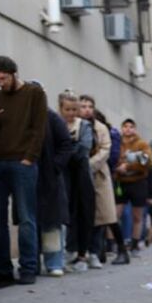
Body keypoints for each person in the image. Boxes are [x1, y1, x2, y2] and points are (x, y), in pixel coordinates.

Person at [0, 56, 47, 286]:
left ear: (13, 73)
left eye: (3, 78)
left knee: (26, 217)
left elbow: (39, 128)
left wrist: (30, 158)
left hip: (23, 163)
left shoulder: (34, 93)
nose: (0, 83)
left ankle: (28, 267)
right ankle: (3, 269)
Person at [58, 91, 97, 271]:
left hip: (81, 176)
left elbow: (84, 148)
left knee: (84, 213)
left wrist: (65, 151)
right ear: (61, 109)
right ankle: (67, 252)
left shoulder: (85, 126)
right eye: (68, 109)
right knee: (66, 213)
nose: (72, 113)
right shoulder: (57, 124)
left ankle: (83, 253)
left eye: (75, 109)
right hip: (63, 175)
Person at [79, 95, 121, 260]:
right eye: (83, 106)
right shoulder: (75, 125)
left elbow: (105, 150)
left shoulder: (101, 127)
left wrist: (87, 165)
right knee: (88, 215)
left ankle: (117, 250)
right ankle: (92, 252)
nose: (87, 109)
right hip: (80, 176)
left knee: (106, 215)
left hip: (99, 175)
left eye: (90, 106)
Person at [37, 104, 73, 276]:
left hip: (49, 177)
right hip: (31, 175)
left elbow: (66, 144)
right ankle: (33, 262)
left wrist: (54, 166)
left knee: (52, 221)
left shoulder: (52, 117)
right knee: (32, 220)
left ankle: (54, 263)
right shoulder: (22, 115)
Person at [114, 118, 152, 258]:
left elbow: (148, 161)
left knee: (137, 215)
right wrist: (119, 167)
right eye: (125, 126)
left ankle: (135, 243)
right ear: (122, 129)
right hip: (120, 182)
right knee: (115, 214)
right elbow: (113, 159)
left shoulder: (142, 144)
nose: (128, 129)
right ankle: (113, 243)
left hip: (138, 182)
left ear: (135, 129)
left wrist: (128, 166)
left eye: (131, 126)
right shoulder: (117, 143)